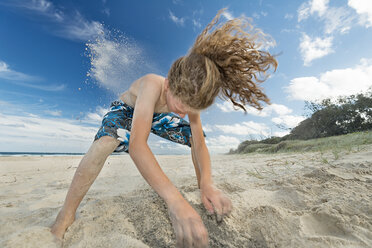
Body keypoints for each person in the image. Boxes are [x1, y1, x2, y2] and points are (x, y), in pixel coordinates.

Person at [51, 8, 277, 247]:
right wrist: (176, 202)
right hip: (129, 110)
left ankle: (204, 190)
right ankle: (66, 213)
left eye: (190, 109)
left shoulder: (188, 98)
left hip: (160, 115)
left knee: (195, 133)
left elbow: (198, 142)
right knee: (107, 142)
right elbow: (138, 146)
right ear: (168, 85)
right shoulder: (152, 85)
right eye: (181, 106)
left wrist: (208, 182)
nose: (184, 113)